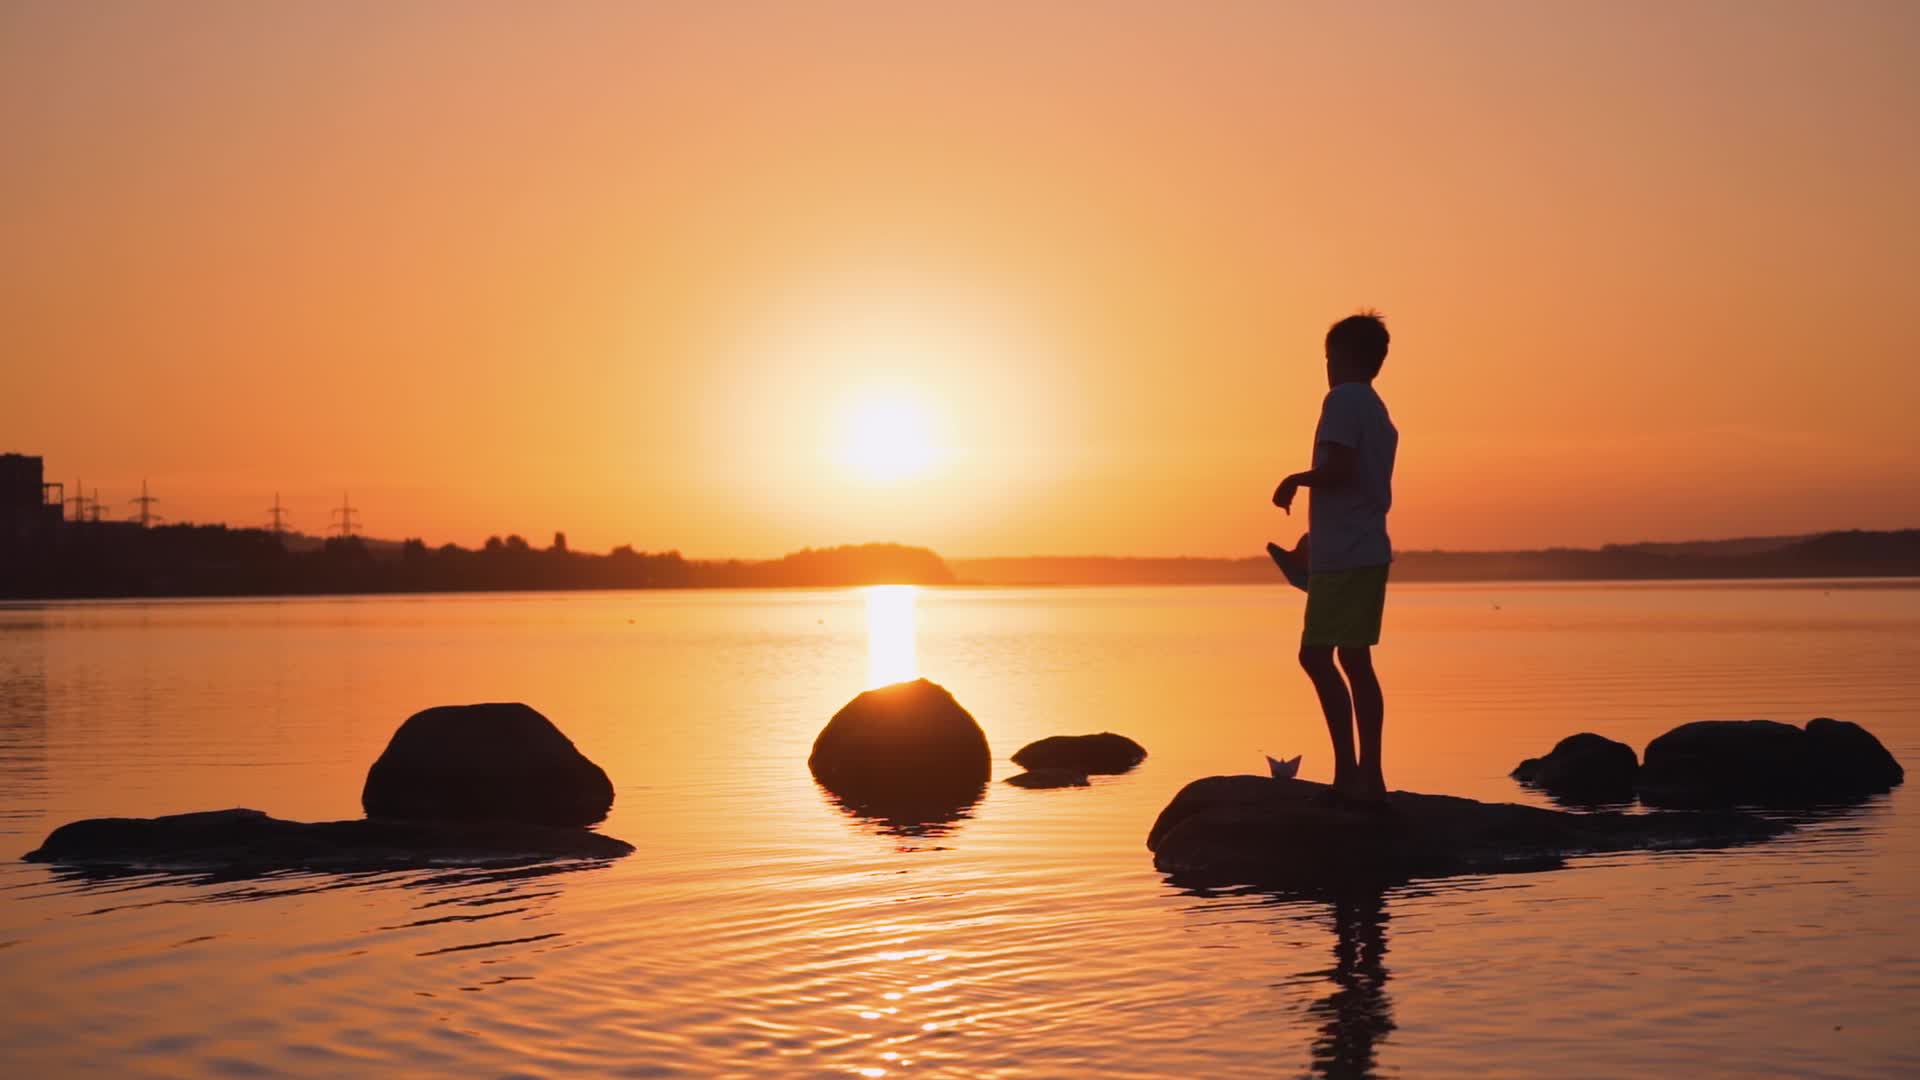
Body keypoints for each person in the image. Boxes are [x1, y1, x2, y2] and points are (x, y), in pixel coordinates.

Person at [1271, 312, 1398, 803]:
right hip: (1361, 550)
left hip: (1345, 559)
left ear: (1342, 357)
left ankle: (1350, 773)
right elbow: (1358, 486)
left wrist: (1295, 479)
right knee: (1353, 659)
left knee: (1316, 655)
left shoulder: (1342, 399)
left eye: (1328, 357)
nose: (1325, 367)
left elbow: (1340, 470)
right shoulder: (1378, 410)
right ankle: (1370, 776)